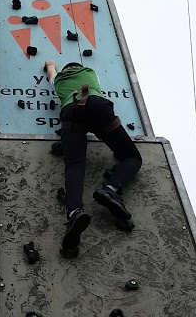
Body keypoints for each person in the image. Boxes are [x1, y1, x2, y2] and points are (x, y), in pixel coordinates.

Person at [45, 60, 142, 256]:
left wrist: (50, 64)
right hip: (97, 106)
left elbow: (51, 72)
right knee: (132, 157)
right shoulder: (90, 72)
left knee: (74, 165)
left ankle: (74, 214)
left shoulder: (59, 81)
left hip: (70, 113)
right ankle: (111, 189)